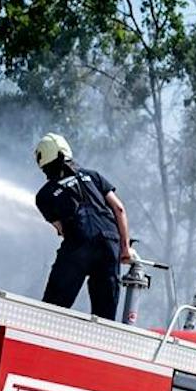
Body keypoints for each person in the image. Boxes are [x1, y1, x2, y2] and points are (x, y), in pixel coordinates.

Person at [33, 131, 132, 320]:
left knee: (52, 310)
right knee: (105, 317)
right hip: (110, 243)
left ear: (44, 164)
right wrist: (125, 248)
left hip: (79, 245)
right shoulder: (93, 176)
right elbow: (119, 209)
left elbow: (61, 230)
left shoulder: (44, 195)